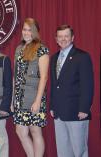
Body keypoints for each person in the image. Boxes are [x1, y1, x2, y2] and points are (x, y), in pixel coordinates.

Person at [50, 24, 94, 157]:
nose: (63, 39)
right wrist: (52, 106)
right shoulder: (54, 58)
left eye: (66, 36)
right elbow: (54, 85)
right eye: (60, 36)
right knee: (63, 151)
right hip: (58, 113)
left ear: (72, 38)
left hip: (76, 112)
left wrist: (84, 109)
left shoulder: (82, 56)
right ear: (56, 39)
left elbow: (88, 84)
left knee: (79, 150)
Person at [13, 18, 49, 157]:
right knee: (21, 132)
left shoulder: (41, 49)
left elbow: (44, 77)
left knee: (35, 131)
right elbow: (15, 75)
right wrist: (12, 99)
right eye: (24, 29)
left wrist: (38, 101)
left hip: (34, 96)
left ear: (35, 32)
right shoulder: (18, 48)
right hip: (19, 97)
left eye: (30, 30)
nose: (26, 33)